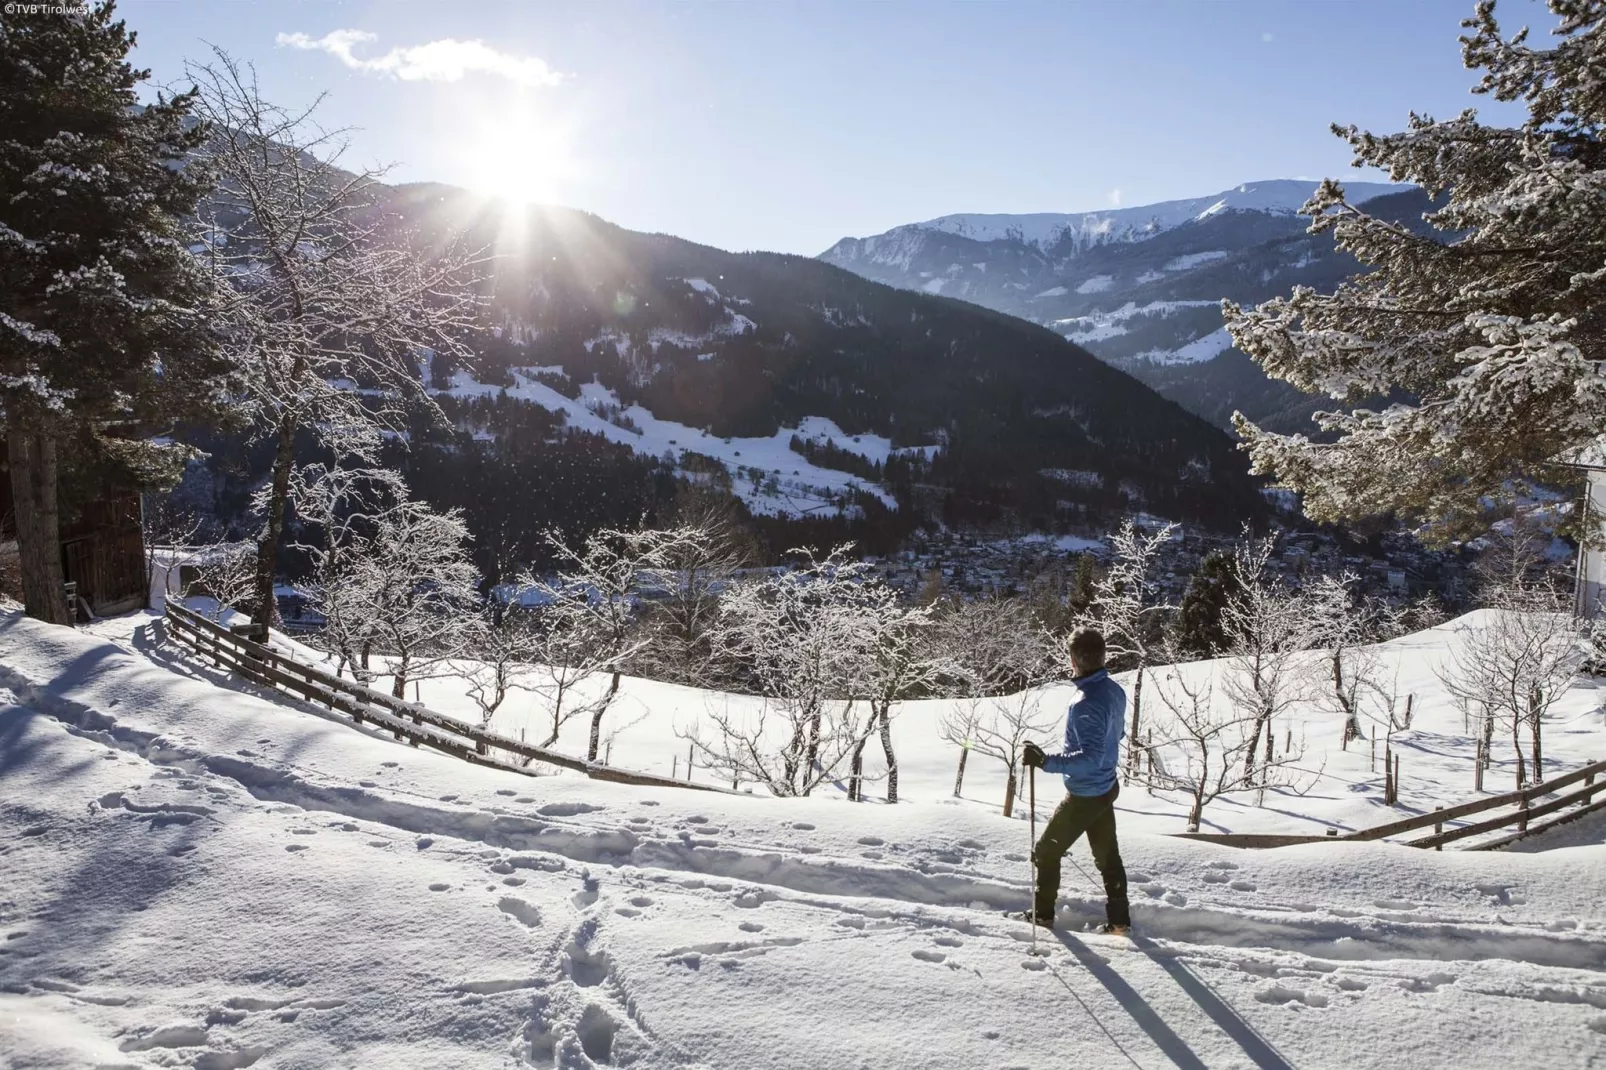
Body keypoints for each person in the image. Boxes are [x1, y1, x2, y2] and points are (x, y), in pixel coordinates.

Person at [1020, 625, 1132, 935]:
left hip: (1085, 794)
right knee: (1108, 857)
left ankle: (1042, 917)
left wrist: (1045, 762)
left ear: (1074, 659)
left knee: (1046, 852)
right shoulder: (1114, 691)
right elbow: (1117, 734)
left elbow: (1089, 757)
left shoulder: (1085, 702)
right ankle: (1120, 921)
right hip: (1106, 787)